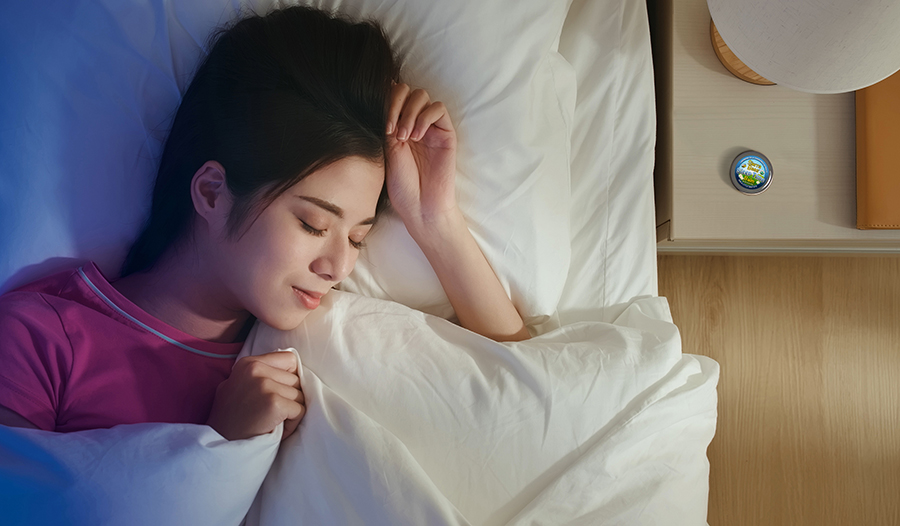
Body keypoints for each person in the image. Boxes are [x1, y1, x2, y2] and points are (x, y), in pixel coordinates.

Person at [0, 5, 529, 441]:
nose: (338, 266)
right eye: (314, 224)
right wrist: (215, 445)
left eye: (359, 238)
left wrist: (434, 220)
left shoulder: (314, 344)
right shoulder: (41, 341)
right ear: (211, 192)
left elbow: (523, 400)